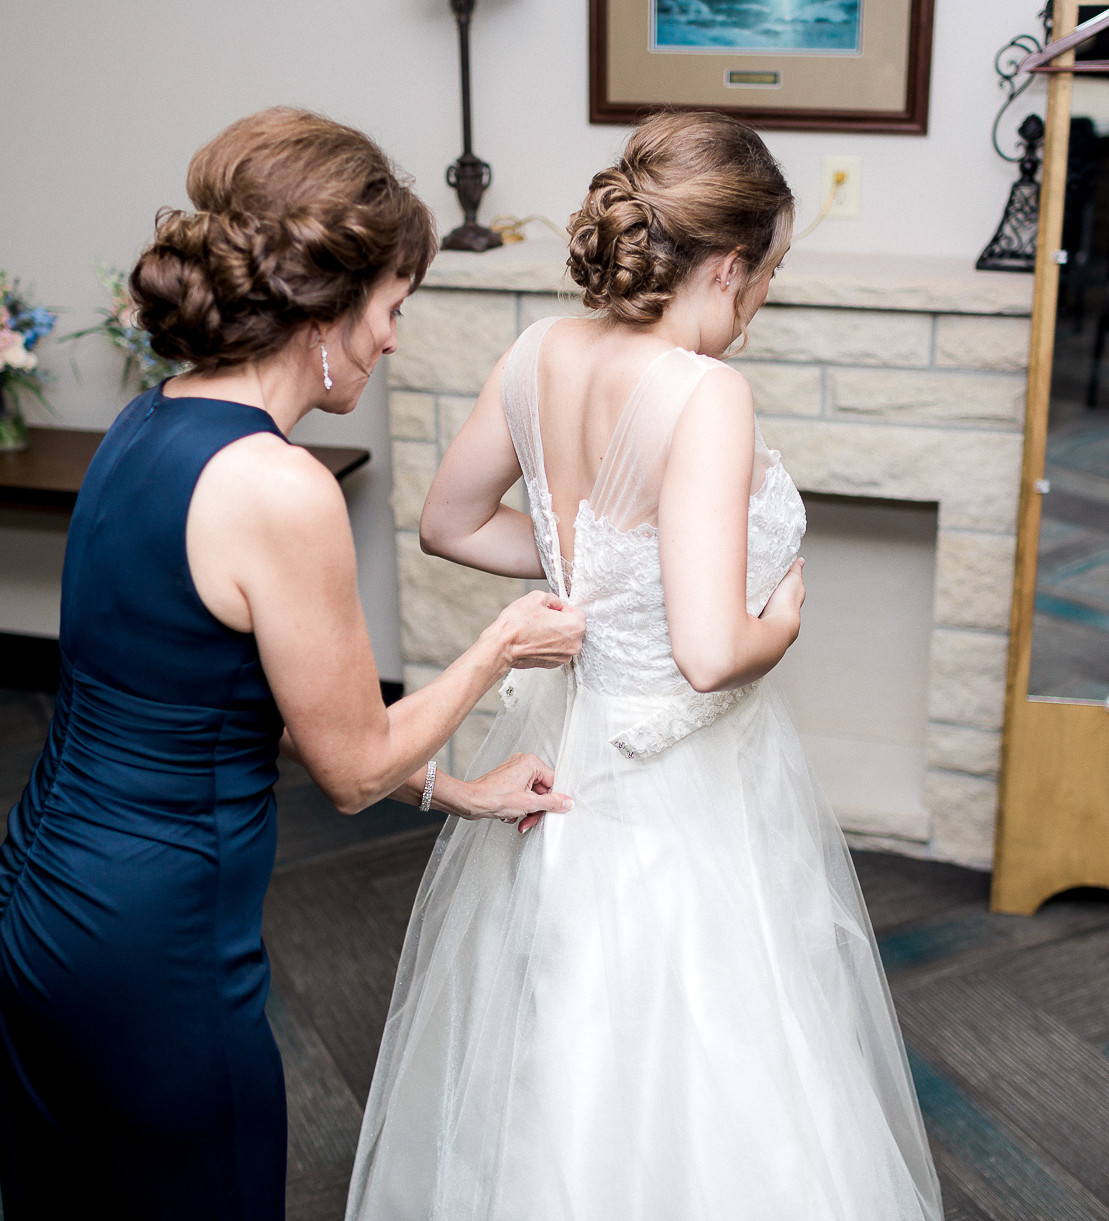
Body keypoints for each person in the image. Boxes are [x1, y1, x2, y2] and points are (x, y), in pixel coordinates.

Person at [0, 107, 585, 1221]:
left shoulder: (145, 425)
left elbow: (246, 708)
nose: (394, 338)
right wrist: (500, 642)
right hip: (155, 943)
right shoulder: (281, 486)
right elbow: (350, 768)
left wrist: (458, 790)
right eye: (393, 308)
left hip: (41, 900)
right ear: (326, 310)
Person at [346, 111, 944, 1220]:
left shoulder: (538, 351)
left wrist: (595, 571)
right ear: (726, 263)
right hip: (680, 775)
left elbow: (446, 521)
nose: (762, 297)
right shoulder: (705, 393)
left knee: (559, 1011)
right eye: (767, 271)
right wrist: (784, 616)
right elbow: (710, 651)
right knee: (710, 1033)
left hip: (563, 735)